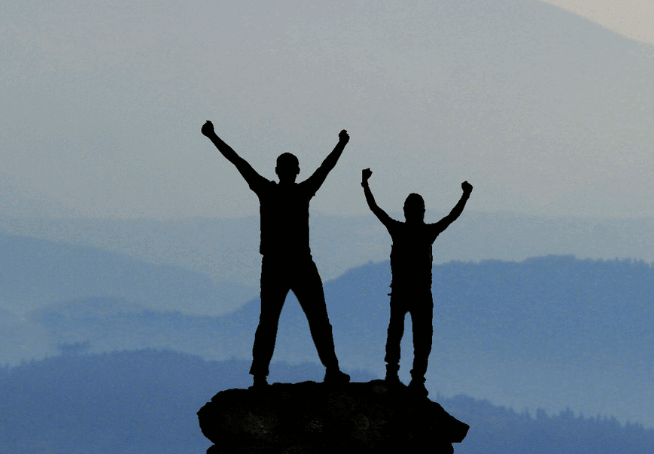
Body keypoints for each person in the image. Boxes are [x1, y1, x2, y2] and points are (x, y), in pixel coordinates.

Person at [202, 120, 352, 387]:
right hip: (300, 264)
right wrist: (341, 144)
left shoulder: (267, 190)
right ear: (295, 171)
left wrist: (213, 136)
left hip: (275, 265)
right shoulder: (302, 191)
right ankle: (331, 369)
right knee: (317, 320)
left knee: (270, 322)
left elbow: (238, 161)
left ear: (278, 170)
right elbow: (326, 167)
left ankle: (261, 375)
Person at [361, 168, 472, 392]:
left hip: (403, 293)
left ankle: (396, 374)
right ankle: (415, 379)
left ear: (406, 211)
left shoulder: (399, 230)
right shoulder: (427, 232)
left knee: (399, 333)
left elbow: (375, 209)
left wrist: (365, 184)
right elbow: (452, 216)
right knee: (420, 337)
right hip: (419, 294)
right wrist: (465, 195)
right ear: (423, 212)